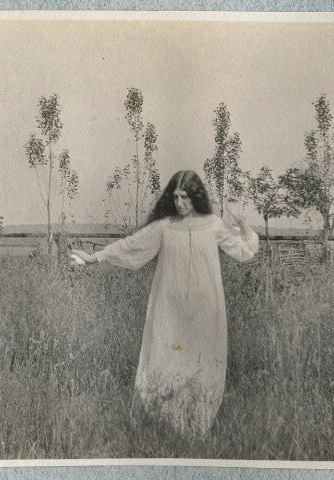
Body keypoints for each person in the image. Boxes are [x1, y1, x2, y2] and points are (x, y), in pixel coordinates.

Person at [71, 170, 259, 435]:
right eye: (176, 197)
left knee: (203, 364)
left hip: (206, 310)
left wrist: (242, 222)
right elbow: (130, 245)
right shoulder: (164, 227)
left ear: (196, 196)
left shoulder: (213, 225)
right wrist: (94, 258)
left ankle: (196, 428)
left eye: (185, 197)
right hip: (169, 310)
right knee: (167, 359)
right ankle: (167, 426)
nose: (179, 203)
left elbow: (245, 250)